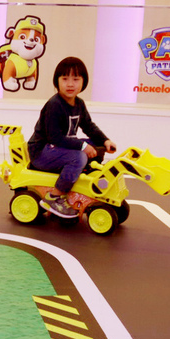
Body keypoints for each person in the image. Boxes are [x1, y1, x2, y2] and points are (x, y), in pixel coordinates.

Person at [28, 57, 117, 218]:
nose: (70, 84)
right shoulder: (54, 105)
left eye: (75, 79)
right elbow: (54, 137)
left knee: (95, 146)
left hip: (58, 148)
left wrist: (105, 140)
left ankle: (81, 173)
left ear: (83, 82)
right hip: (42, 152)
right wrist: (82, 147)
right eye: (65, 79)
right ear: (57, 81)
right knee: (79, 156)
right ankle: (54, 197)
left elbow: (88, 126)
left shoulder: (79, 104)